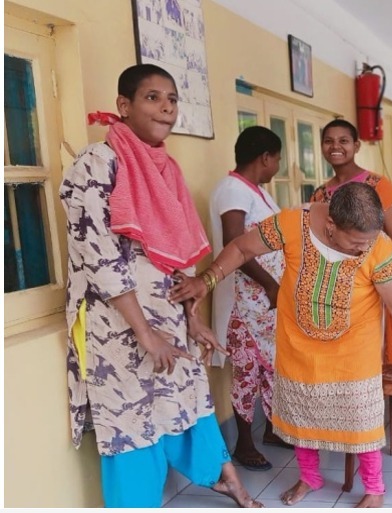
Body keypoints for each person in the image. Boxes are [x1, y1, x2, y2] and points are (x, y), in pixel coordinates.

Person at [59, 64, 260, 508]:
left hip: (168, 314)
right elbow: (100, 258)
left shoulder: (165, 167)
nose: (166, 107)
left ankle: (224, 478)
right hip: (116, 325)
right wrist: (145, 334)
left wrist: (192, 318)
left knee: (188, 394)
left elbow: (175, 256)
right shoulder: (96, 163)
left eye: (172, 99)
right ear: (124, 105)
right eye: (152, 97)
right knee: (130, 421)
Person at [170, 182, 392, 508]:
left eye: (369, 240)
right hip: (299, 345)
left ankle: (375, 488)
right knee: (302, 417)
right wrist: (206, 280)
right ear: (332, 225)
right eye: (357, 242)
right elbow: (242, 248)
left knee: (362, 419)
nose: (365, 247)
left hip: (354, 352)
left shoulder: (380, 247)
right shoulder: (293, 224)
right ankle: (309, 477)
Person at [209, 126, 289, 472]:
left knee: (271, 365)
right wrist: (270, 283)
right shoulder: (233, 190)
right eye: (278, 159)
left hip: (264, 302)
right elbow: (235, 244)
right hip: (243, 302)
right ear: (265, 157)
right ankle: (244, 443)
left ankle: (272, 428)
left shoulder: (256, 191)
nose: (278, 166)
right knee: (247, 371)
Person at [311, 119, 392, 255]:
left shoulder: (378, 185)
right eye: (328, 141)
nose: (335, 146)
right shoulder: (319, 194)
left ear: (356, 146)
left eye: (343, 141)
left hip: (375, 265)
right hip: (334, 267)